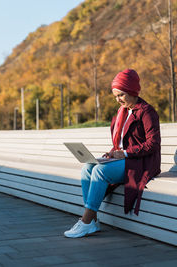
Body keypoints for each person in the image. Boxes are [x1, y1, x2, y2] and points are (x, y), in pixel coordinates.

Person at [64, 69, 161, 238]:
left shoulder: (146, 111)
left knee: (100, 172)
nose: (118, 100)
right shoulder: (121, 112)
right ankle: (92, 221)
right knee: (88, 167)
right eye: (116, 96)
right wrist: (112, 153)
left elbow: (153, 144)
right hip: (127, 158)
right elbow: (121, 143)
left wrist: (125, 153)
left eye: (121, 95)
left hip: (141, 162)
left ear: (132, 91)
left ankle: (86, 221)